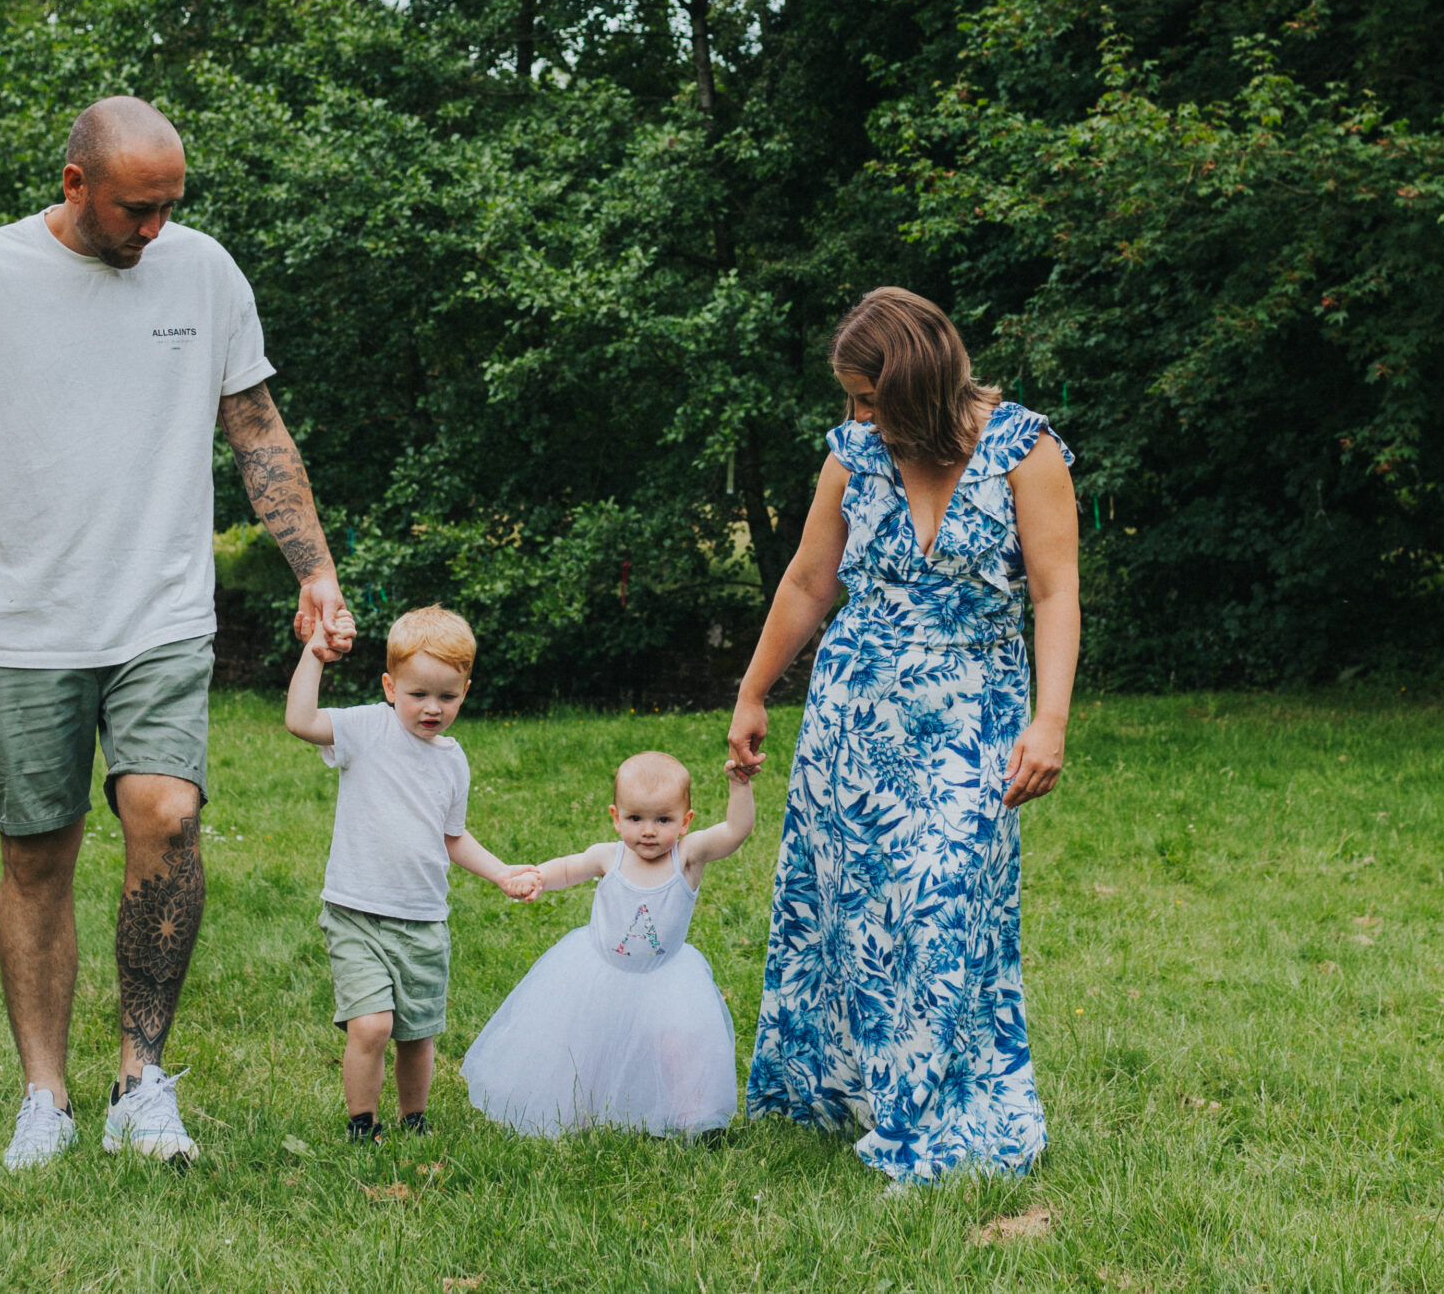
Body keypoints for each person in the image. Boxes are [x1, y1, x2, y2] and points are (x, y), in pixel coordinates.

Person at [0, 95, 355, 1172]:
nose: (154, 231)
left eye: (169, 207)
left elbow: (256, 427)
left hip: (160, 609)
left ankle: (142, 1076)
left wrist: (315, 570)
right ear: (73, 184)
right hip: (24, 622)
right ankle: (43, 1094)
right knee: (37, 854)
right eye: (136, 210)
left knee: (168, 814)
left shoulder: (202, 271)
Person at [726, 286, 1079, 1183]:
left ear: (918, 386)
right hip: (855, 713)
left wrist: (1050, 720)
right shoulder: (852, 456)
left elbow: (1054, 593)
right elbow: (810, 583)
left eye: (869, 398)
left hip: (974, 716)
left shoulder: (1023, 452)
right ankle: (847, 1090)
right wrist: (754, 690)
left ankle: (939, 1116)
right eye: (851, 398)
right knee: (850, 913)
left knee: (940, 904)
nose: (855, 415)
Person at [283, 603, 534, 1143]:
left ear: (465, 692)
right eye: (418, 694)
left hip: (422, 921)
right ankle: (361, 1124)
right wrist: (315, 656)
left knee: (417, 1034)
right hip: (356, 912)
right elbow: (301, 721)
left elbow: (453, 836)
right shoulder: (367, 728)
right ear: (390, 685)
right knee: (372, 1025)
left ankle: (413, 1119)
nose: (432, 708)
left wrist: (501, 873)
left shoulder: (452, 760)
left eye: (447, 696)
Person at [462, 751, 756, 1138]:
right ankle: (579, 1109)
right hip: (600, 972)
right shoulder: (608, 856)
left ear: (685, 822)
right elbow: (567, 868)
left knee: (676, 1044)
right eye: (636, 819)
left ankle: (691, 1117)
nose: (648, 831)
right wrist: (536, 878)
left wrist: (740, 785)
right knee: (590, 1042)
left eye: (663, 820)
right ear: (616, 817)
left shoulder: (687, 857)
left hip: (666, 978)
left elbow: (736, 832)